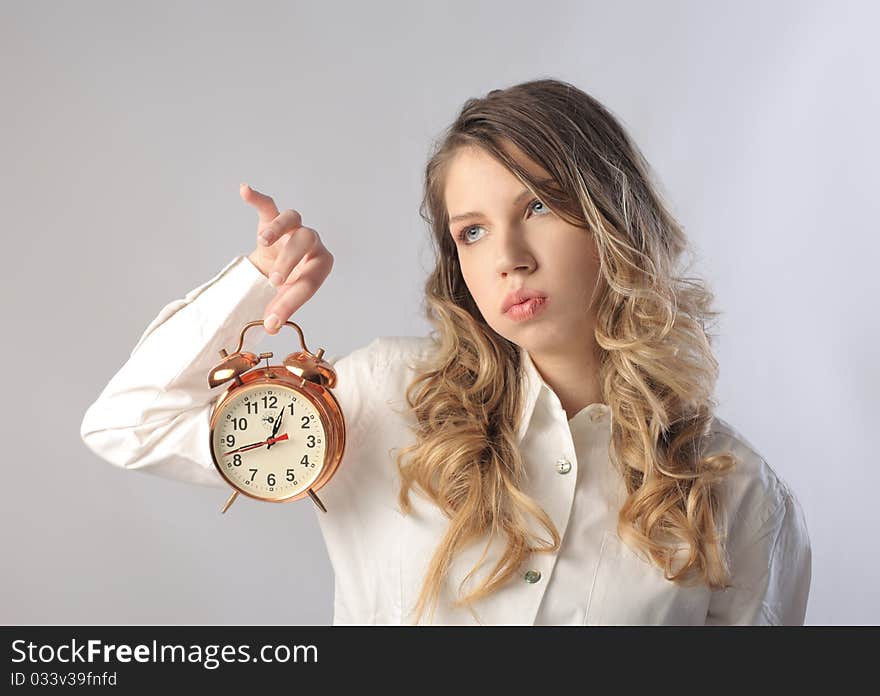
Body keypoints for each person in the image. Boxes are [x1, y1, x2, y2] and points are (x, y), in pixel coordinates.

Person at [80, 78, 811, 626]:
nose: (509, 259)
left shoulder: (738, 495)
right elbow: (126, 423)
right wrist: (255, 281)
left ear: (614, 219)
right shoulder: (382, 399)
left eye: (539, 207)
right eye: (473, 231)